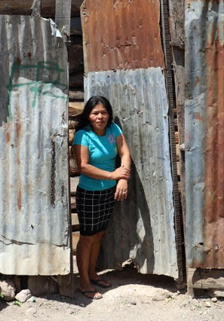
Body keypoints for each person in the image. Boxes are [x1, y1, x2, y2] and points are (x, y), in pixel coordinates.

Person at [71, 95, 132, 300]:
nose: (100, 116)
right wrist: (113, 175)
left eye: (104, 112)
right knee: (87, 237)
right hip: (89, 193)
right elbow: (84, 166)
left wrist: (122, 179)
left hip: (109, 191)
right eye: (95, 113)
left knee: (99, 235)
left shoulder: (114, 130)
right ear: (88, 116)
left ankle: (92, 273)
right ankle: (83, 282)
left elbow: (124, 153)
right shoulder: (83, 135)